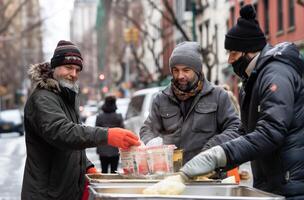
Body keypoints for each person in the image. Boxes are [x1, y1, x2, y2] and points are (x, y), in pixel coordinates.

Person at [159, 5, 304, 199]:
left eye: (233, 53)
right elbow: (245, 130)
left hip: (290, 184)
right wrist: (212, 153)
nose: (229, 60)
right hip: (273, 182)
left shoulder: (275, 75)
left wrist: (220, 155)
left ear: (249, 51)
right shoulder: (253, 79)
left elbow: (271, 132)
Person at [21, 40, 140, 200]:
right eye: (68, 67)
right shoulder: (43, 98)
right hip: (46, 194)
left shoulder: (66, 97)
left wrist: (87, 166)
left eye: (77, 70)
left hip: (66, 192)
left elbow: (74, 143)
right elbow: (62, 132)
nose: (74, 74)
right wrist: (107, 135)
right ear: (55, 67)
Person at [139, 41, 240, 164]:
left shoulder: (218, 96)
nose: (180, 75)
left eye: (186, 70)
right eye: (175, 70)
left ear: (197, 71)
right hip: (172, 174)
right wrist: (151, 141)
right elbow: (147, 128)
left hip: (208, 172)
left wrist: (212, 147)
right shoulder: (161, 99)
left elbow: (235, 128)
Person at [96, 96, 124, 173]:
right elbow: (122, 131)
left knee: (104, 171)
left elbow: (96, 132)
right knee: (114, 171)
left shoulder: (99, 117)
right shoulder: (119, 117)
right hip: (115, 148)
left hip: (102, 148)